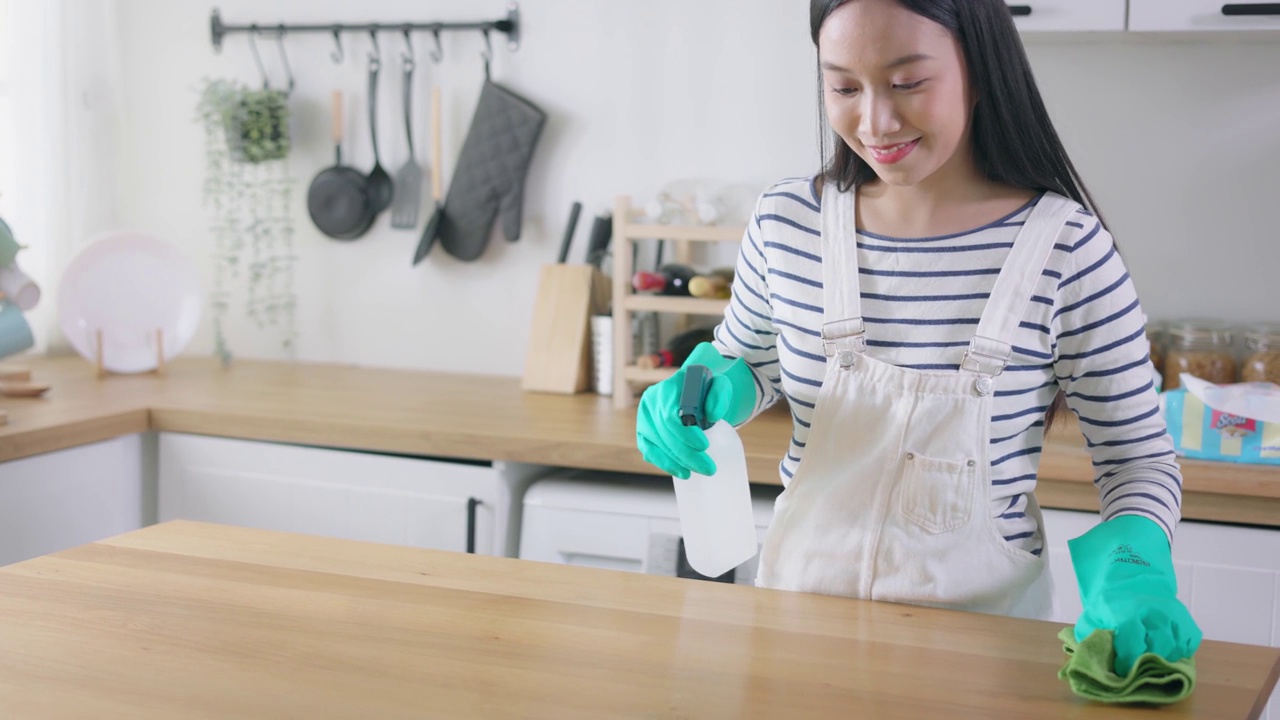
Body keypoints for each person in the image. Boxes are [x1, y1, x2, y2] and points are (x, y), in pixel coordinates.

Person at [635, 0, 1200, 677]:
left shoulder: (1067, 251)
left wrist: (1135, 569)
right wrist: (712, 388)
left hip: (981, 663)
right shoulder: (787, 221)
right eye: (844, 86)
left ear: (980, 71)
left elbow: (1137, 459)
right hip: (797, 637)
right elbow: (753, 360)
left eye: (907, 83)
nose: (874, 122)